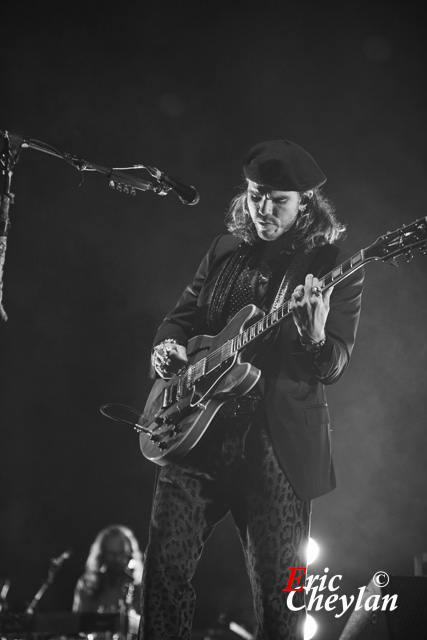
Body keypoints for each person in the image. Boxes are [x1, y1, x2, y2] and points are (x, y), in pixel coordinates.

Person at [138, 140, 364, 640]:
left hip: (273, 444)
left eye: (277, 200)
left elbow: (333, 366)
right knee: (161, 576)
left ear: (304, 202)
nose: (262, 209)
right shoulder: (223, 249)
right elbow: (180, 318)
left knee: (279, 600)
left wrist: (314, 333)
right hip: (195, 430)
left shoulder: (330, 264)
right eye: (256, 194)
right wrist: (167, 348)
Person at [73, 524, 144, 635]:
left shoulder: (138, 585)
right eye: (112, 554)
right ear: (102, 555)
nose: (117, 559)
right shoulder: (87, 584)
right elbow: (78, 623)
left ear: (130, 554)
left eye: (121, 553)